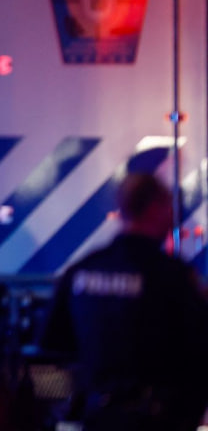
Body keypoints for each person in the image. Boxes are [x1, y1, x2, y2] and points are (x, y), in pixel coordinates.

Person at [40, 173, 208, 431]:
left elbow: (53, 341)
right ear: (154, 209)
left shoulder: (82, 269)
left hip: (97, 415)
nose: (172, 215)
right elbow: (198, 348)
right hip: (156, 418)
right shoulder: (171, 276)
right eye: (168, 207)